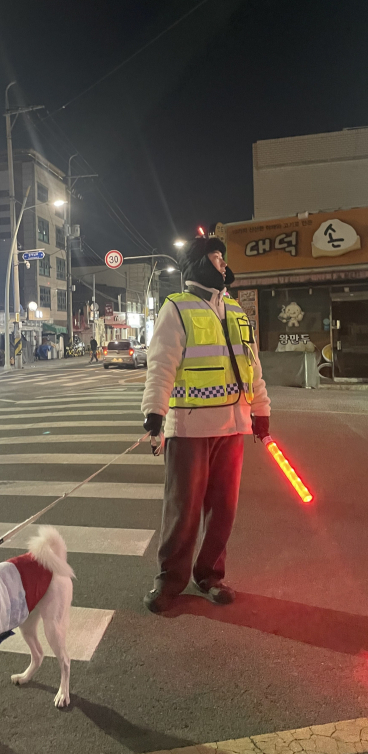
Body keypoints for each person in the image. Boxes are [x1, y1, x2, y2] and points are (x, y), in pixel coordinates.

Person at [141, 236, 270, 614]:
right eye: (214, 257)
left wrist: (261, 410)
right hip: (190, 426)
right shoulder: (176, 309)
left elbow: (252, 367)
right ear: (197, 265)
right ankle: (169, 581)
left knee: (223, 508)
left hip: (233, 427)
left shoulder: (235, 312)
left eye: (222, 257)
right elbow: (161, 364)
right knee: (184, 509)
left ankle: (210, 575)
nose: (221, 262)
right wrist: (155, 412)